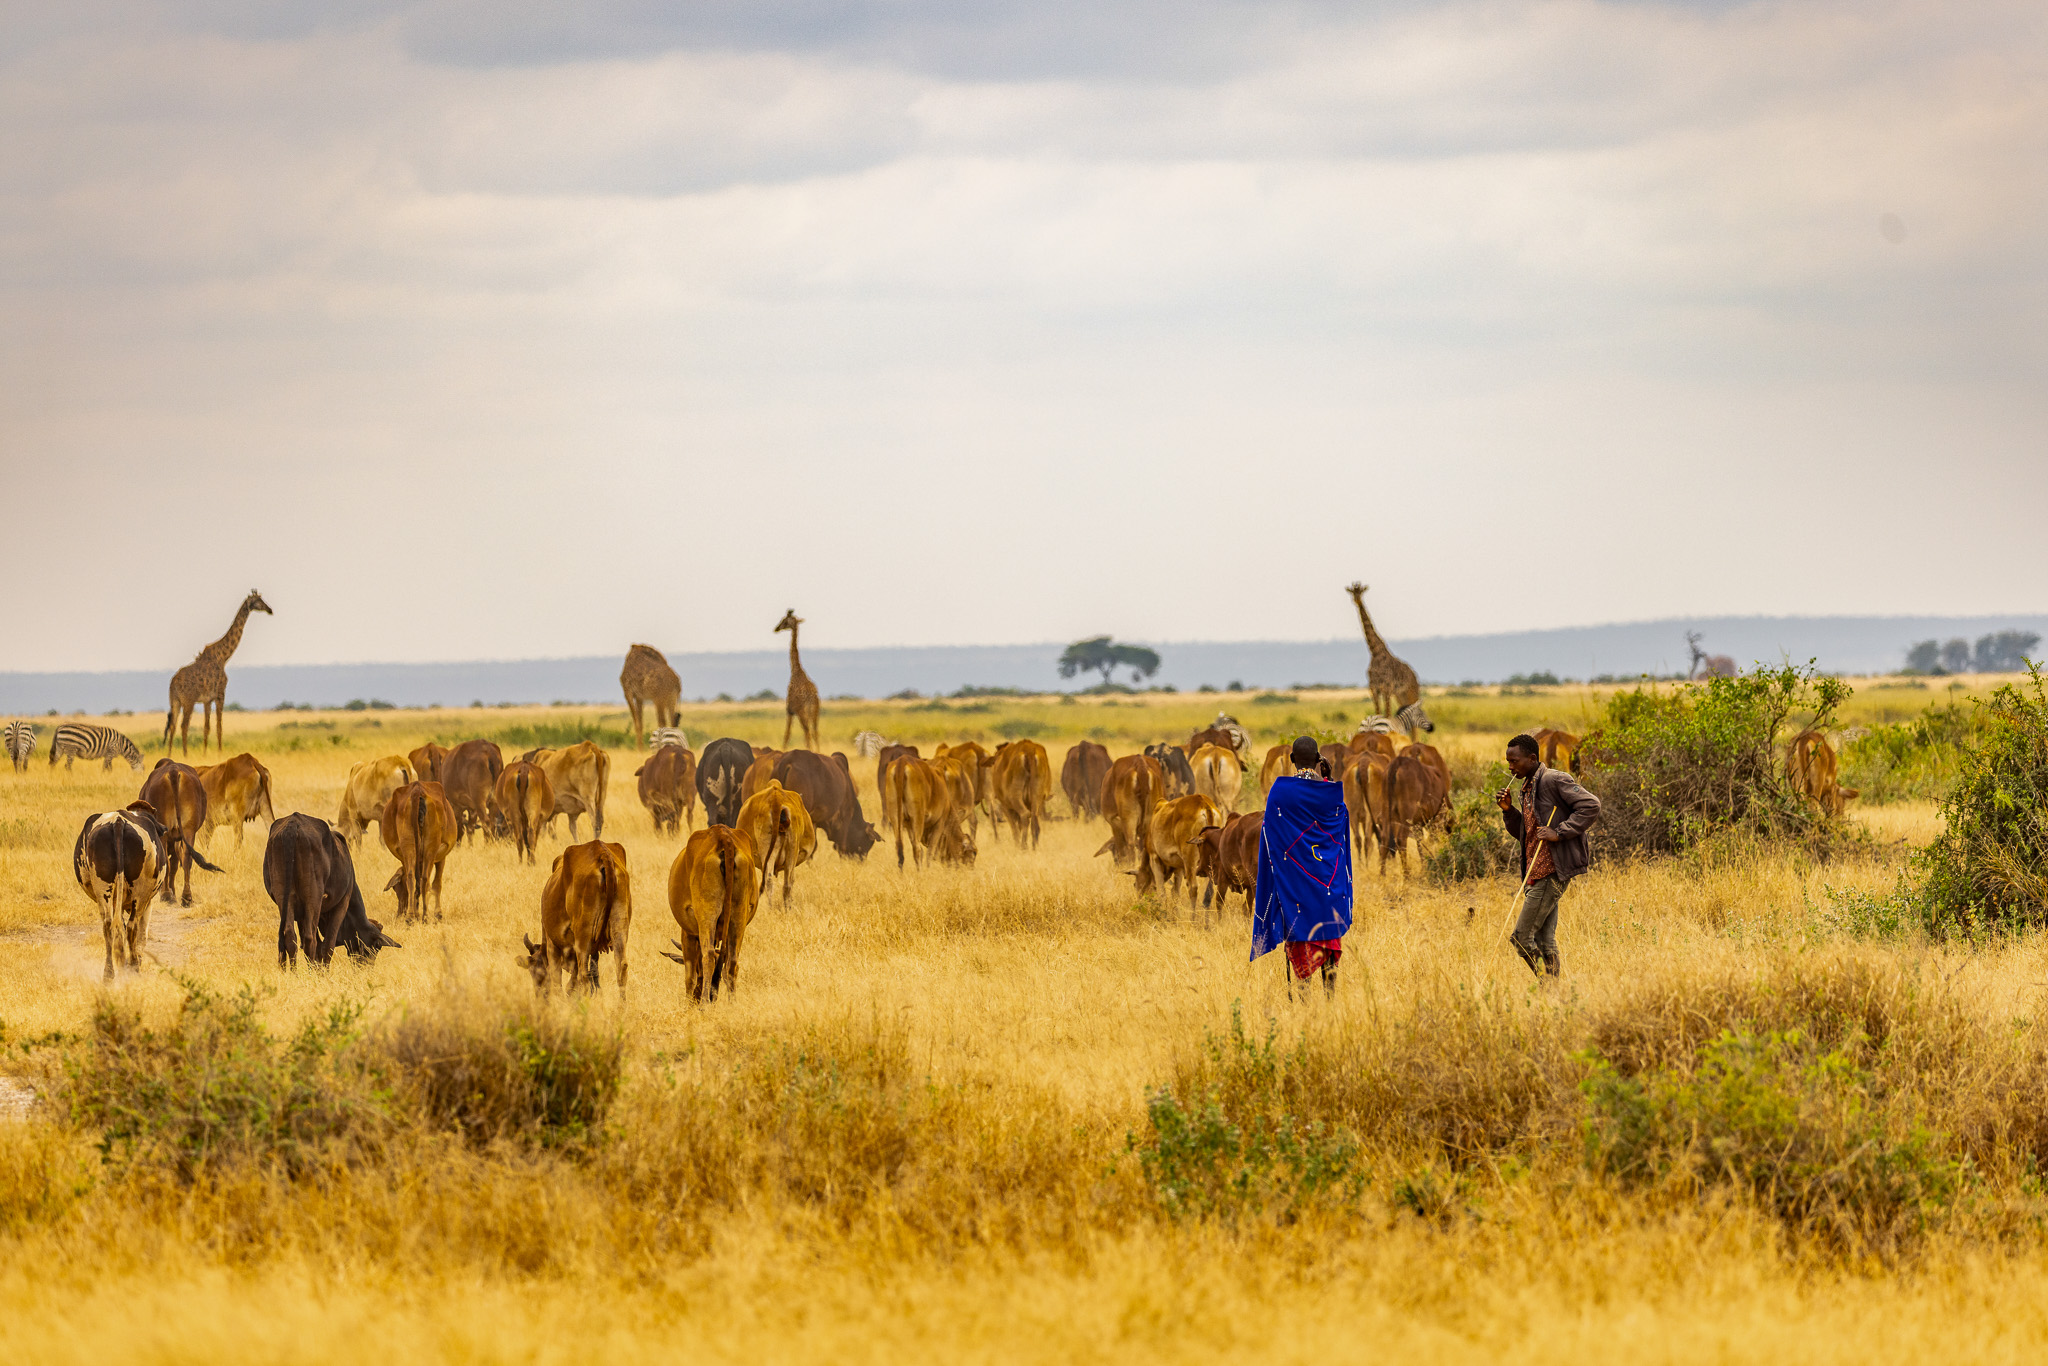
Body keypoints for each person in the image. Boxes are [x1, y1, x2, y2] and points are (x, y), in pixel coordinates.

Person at [1496, 732, 1601, 978]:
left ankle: (1547, 984)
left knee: (1521, 938)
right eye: (1508, 762)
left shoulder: (1555, 779)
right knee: (1545, 941)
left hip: (1551, 870)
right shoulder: (1526, 787)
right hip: (1534, 870)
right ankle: (1554, 997)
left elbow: (1591, 804)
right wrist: (1509, 810)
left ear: (1532, 758)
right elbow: (1528, 832)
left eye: (1515, 761)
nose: (1510, 767)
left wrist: (1559, 832)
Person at [1251, 736, 1351, 994]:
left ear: (1293, 760)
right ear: (1318, 759)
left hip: (1296, 884)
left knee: (1300, 936)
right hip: (1328, 881)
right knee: (1329, 938)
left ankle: (1303, 1000)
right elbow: (1339, 828)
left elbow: (1270, 830)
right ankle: (1330, 1000)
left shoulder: (1280, 792)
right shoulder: (1332, 793)